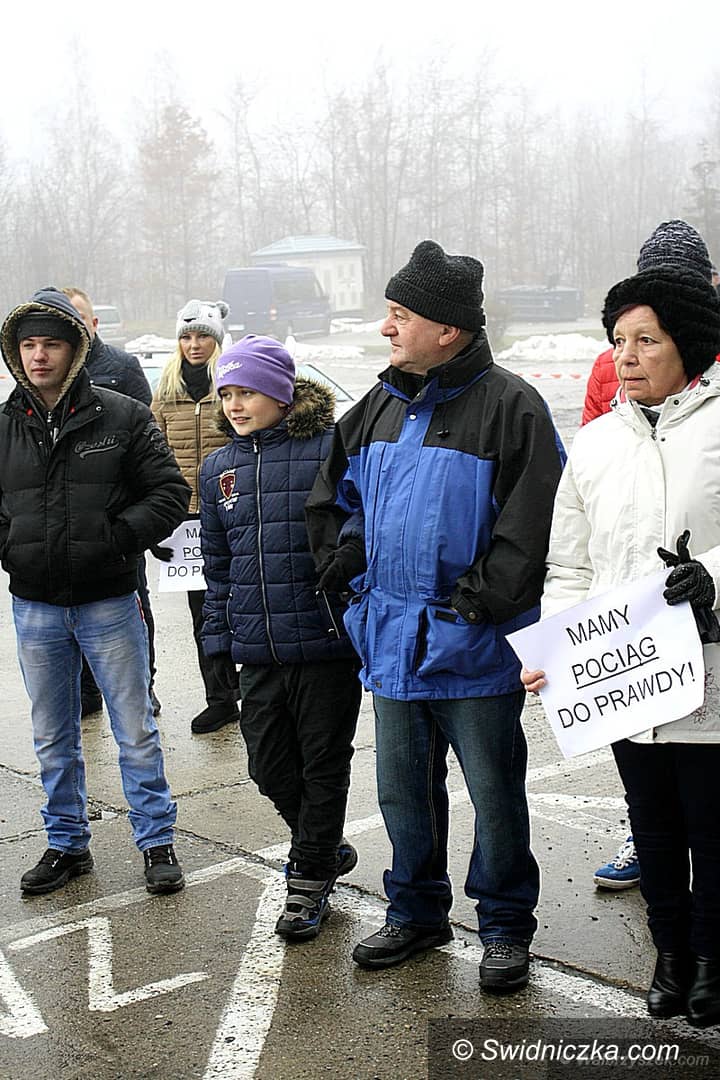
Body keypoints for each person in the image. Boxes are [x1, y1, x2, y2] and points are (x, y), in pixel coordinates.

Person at [305, 240, 565, 991]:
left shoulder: (513, 406)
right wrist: (350, 572)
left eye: (400, 314)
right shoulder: (376, 407)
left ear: (447, 328)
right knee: (401, 793)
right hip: (390, 642)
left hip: (473, 644)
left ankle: (505, 926)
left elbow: (535, 522)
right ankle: (416, 912)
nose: (386, 328)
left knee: (494, 795)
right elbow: (335, 501)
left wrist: (480, 601)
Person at [522, 266, 720, 1026]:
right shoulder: (598, 442)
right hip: (626, 674)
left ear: (687, 344)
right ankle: (670, 956)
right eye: (617, 341)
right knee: (653, 823)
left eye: (647, 340)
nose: (626, 357)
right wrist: (556, 649)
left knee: (711, 822)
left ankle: (712, 958)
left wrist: (712, 578)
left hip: (708, 665)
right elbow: (570, 564)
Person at [0, 288, 190, 896]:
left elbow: (169, 492)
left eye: (51, 344)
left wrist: (116, 539)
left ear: (76, 350)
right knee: (52, 734)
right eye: (28, 345)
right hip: (35, 606)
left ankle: (156, 841)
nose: (38, 356)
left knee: (134, 729)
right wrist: (13, 548)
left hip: (109, 601)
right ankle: (66, 843)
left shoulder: (121, 416)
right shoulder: (4, 426)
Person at [199, 335, 362, 939]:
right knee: (267, 765)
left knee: (323, 764)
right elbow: (218, 566)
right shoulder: (219, 469)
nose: (235, 405)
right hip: (257, 647)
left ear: (282, 394)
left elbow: (361, 523)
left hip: (323, 642)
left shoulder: (330, 450)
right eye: (227, 394)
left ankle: (308, 879)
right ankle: (324, 847)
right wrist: (217, 640)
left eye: (248, 392)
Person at [583, 221, 717, 890]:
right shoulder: (609, 374)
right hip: (632, 629)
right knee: (652, 794)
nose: (629, 355)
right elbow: (592, 498)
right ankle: (647, 843)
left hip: (705, 629)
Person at [61, 287, 161, 719]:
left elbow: (146, 445)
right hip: (65, 521)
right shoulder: (46, 376)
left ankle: (144, 685)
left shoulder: (122, 367)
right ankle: (88, 692)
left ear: (94, 322)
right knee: (73, 610)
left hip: (116, 519)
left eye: (79, 317)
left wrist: (133, 522)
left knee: (134, 605)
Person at [151, 299, 238, 734]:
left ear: (216, 339)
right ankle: (220, 698)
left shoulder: (232, 385)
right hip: (186, 520)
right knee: (204, 614)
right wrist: (158, 520)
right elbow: (153, 457)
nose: (194, 344)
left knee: (245, 605)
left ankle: (255, 690)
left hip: (235, 512)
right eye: (186, 336)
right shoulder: (166, 392)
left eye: (203, 335)